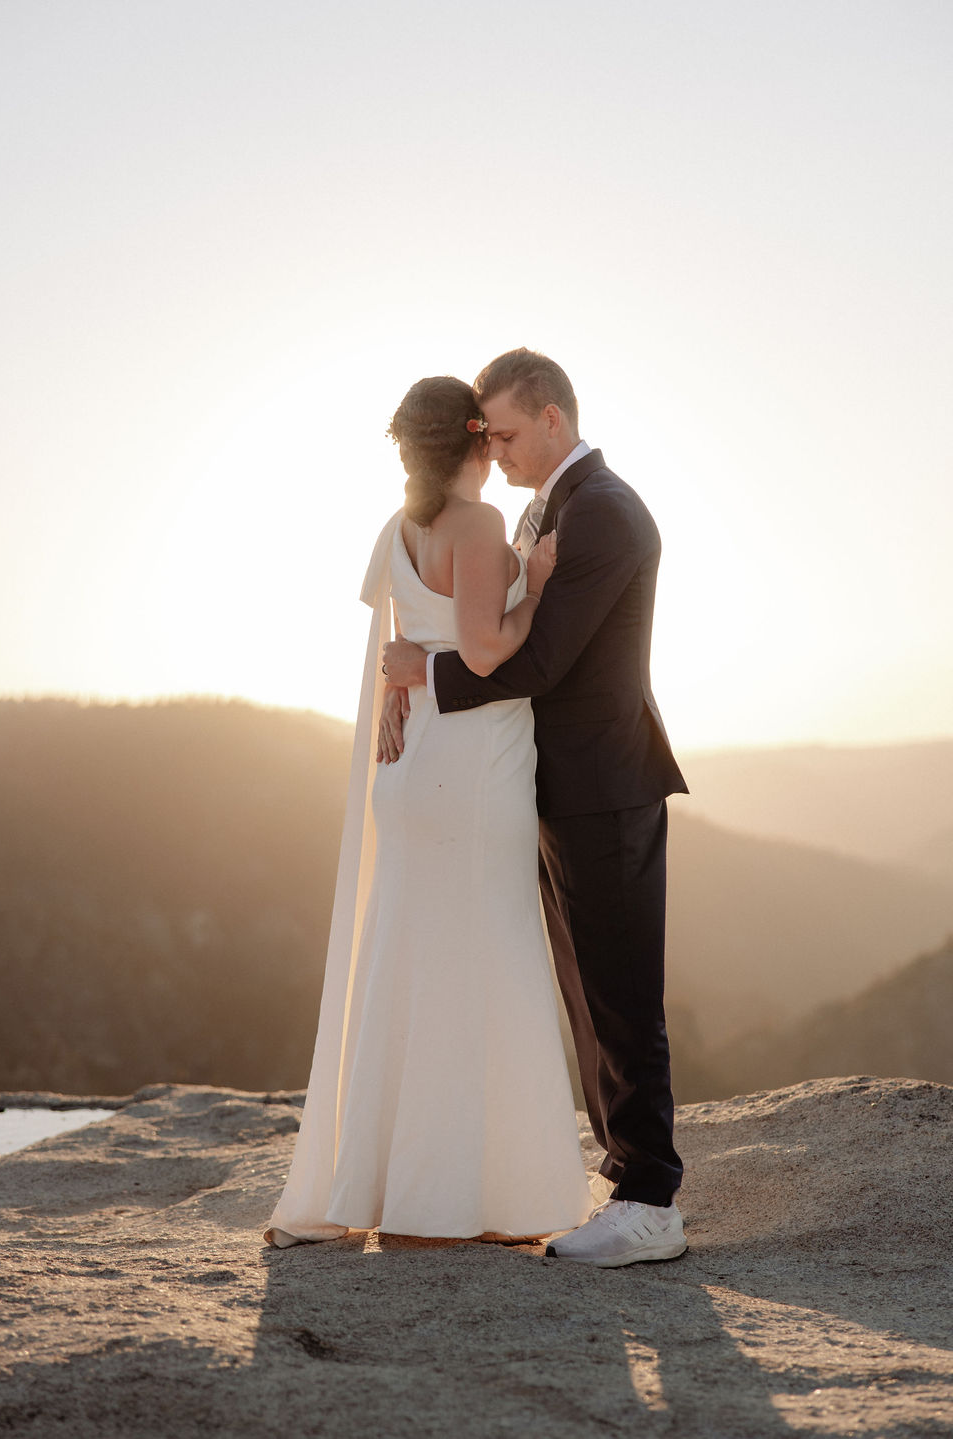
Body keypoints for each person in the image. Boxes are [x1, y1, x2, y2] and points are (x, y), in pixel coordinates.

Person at [264, 375, 591, 1247]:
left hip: (410, 771)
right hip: (472, 768)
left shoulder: (400, 528)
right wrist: (541, 585)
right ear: (478, 440)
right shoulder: (479, 526)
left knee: (404, 966)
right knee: (481, 963)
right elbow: (484, 650)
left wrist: (406, 673)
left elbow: (404, 646)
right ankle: (457, 1201)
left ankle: (386, 1188)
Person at [381, 348, 690, 1268]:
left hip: (607, 784)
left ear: (553, 418)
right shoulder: (540, 509)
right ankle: (622, 1171)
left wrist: (428, 672)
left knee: (623, 990)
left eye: (506, 432)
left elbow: (542, 659)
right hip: (557, 785)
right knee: (586, 990)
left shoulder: (605, 511)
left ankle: (652, 1201)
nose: (494, 447)